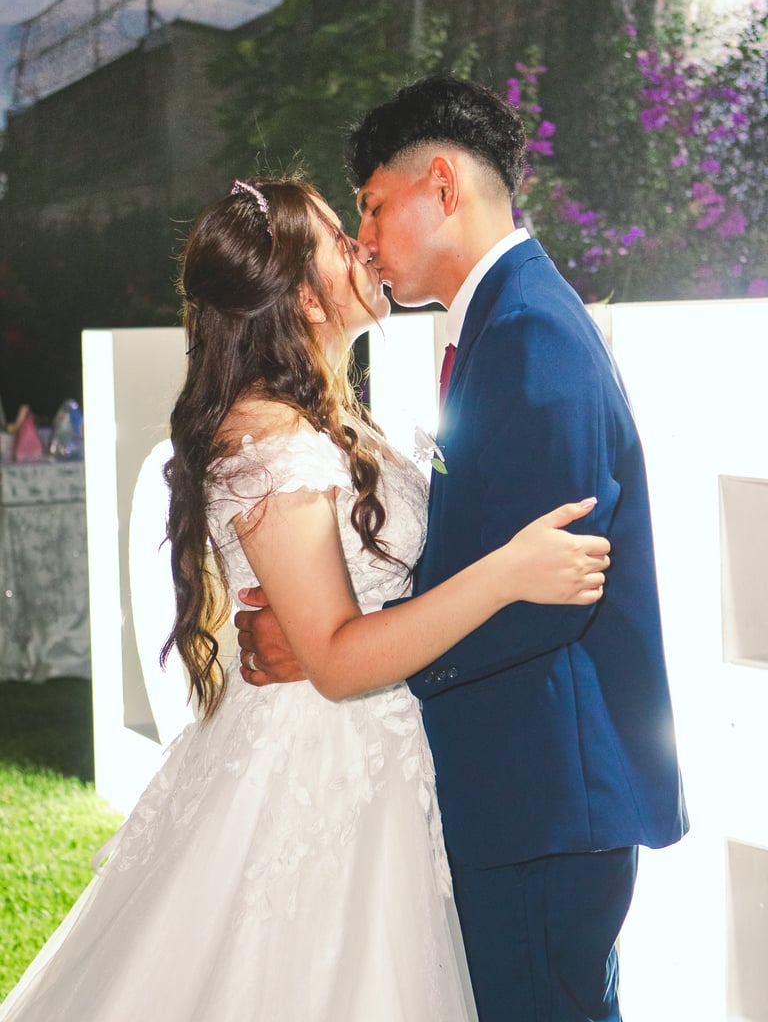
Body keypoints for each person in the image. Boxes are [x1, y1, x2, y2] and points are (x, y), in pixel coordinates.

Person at [0, 177, 610, 1022]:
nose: (366, 247)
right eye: (341, 240)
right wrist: (509, 572)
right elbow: (335, 661)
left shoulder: (321, 413)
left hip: (373, 758)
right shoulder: (271, 443)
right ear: (305, 300)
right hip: (320, 772)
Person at [236, 78, 689, 1022]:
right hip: (521, 791)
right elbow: (483, 554)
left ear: (441, 186)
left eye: (371, 206)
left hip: (540, 798)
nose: (365, 239)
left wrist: (341, 652)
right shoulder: (501, 321)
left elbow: (545, 592)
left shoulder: (529, 335)